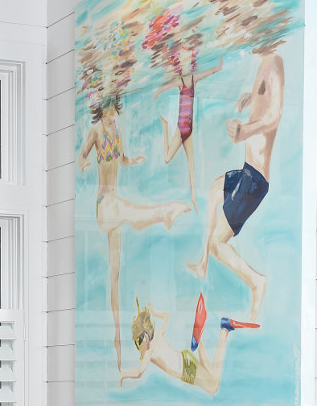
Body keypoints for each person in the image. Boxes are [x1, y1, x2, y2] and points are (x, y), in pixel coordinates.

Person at [78, 94, 190, 369]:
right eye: (106, 112)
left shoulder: (116, 131)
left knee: (115, 275)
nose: (111, 116)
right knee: (125, 208)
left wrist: (134, 160)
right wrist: (82, 163)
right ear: (100, 111)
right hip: (104, 206)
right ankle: (162, 213)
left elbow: (121, 159)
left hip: (114, 211)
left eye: (112, 111)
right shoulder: (94, 131)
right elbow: (82, 154)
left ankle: (117, 345)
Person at [187, 50, 285, 322]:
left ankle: (256, 282)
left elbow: (274, 117)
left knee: (220, 243)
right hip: (247, 172)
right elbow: (266, 104)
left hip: (254, 181)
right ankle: (203, 264)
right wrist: (252, 98)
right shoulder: (264, 63)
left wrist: (245, 131)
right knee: (214, 188)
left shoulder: (274, 63)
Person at [120, 298, 258, 396]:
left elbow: (138, 372)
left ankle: (223, 331)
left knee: (213, 387)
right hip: (185, 357)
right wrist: (155, 312)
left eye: (138, 341)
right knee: (210, 374)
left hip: (186, 370)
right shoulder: (159, 334)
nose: (138, 346)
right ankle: (200, 341)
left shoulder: (150, 350)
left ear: (144, 337)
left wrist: (122, 374)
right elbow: (167, 316)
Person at [155, 50, 223, 211]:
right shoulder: (180, 82)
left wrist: (218, 67)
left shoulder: (193, 79)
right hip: (181, 129)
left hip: (189, 130)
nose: (185, 66)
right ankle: (165, 128)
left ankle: (193, 197)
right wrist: (159, 90)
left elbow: (209, 72)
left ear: (191, 64)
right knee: (166, 158)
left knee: (192, 165)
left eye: (187, 63)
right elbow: (167, 86)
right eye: (182, 63)